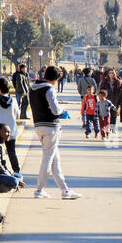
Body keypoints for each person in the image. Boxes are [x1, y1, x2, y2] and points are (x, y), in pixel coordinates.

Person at [31, 66, 80, 199]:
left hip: (39, 125)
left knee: (55, 160)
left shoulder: (33, 88)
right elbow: (55, 110)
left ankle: (65, 190)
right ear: (56, 79)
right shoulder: (49, 89)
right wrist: (62, 109)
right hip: (50, 127)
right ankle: (39, 189)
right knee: (48, 159)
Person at [0, 80, 21, 171]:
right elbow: (18, 115)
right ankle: (16, 171)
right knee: (12, 152)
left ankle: (1, 169)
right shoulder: (13, 100)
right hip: (11, 129)